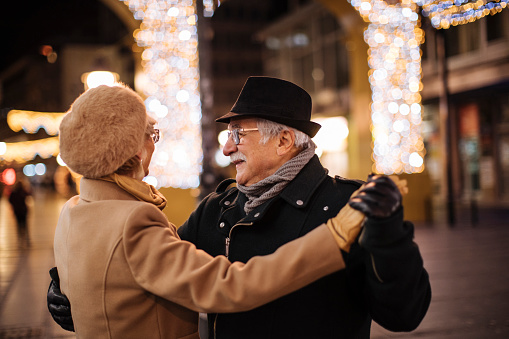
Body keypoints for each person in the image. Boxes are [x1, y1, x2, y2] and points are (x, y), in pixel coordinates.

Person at [48, 77, 431, 338]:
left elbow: (404, 314)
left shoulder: (347, 205)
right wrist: (74, 290)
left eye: (237, 134)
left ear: (283, 141)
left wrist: (389, 238)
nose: (227, 147)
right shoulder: (219, 208)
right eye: (227, 135)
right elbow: (150, 273)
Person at [8, 180, 31, 246]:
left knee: (18, 225)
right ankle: (27, 239)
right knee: (25, 225)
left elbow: (10, 200)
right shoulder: (23, 191)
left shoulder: (13, 193)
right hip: (23, 211)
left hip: (17, 211)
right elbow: (29, 194)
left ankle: (20, 238)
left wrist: (14, 206)